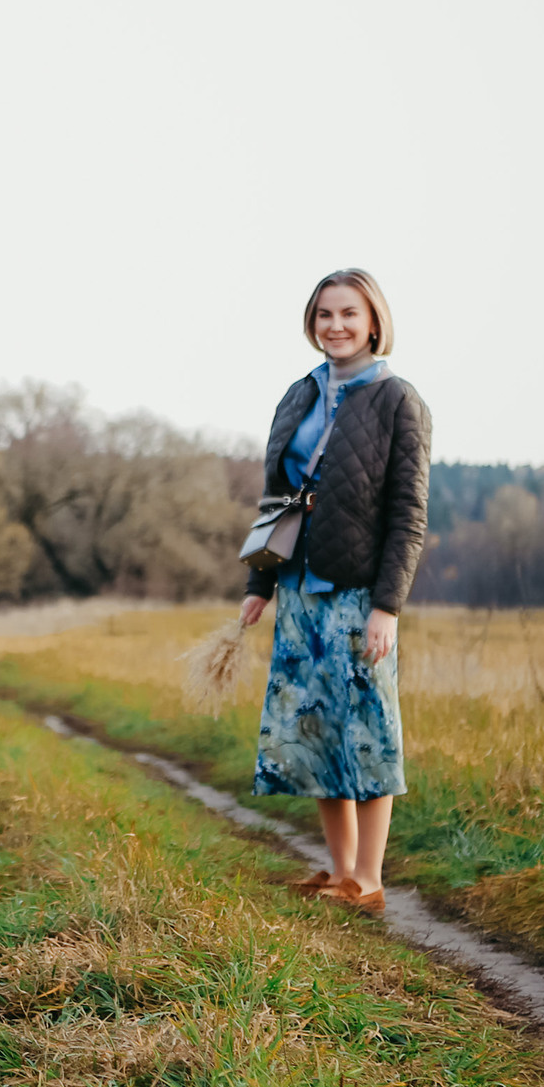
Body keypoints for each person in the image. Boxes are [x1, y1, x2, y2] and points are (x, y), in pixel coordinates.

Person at [238, 269, 432, 914]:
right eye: (324, 314)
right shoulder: (300, 394)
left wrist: (387, 607)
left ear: (373, 320)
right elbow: (277, 495)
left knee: (369, 733)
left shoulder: (399, 400)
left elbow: (409, 513)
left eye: (349, 313)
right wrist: (260, 581)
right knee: (315, 729)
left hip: (357, 593)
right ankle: (340, 871)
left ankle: (369, 881)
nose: (336, 326)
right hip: (298, 589)